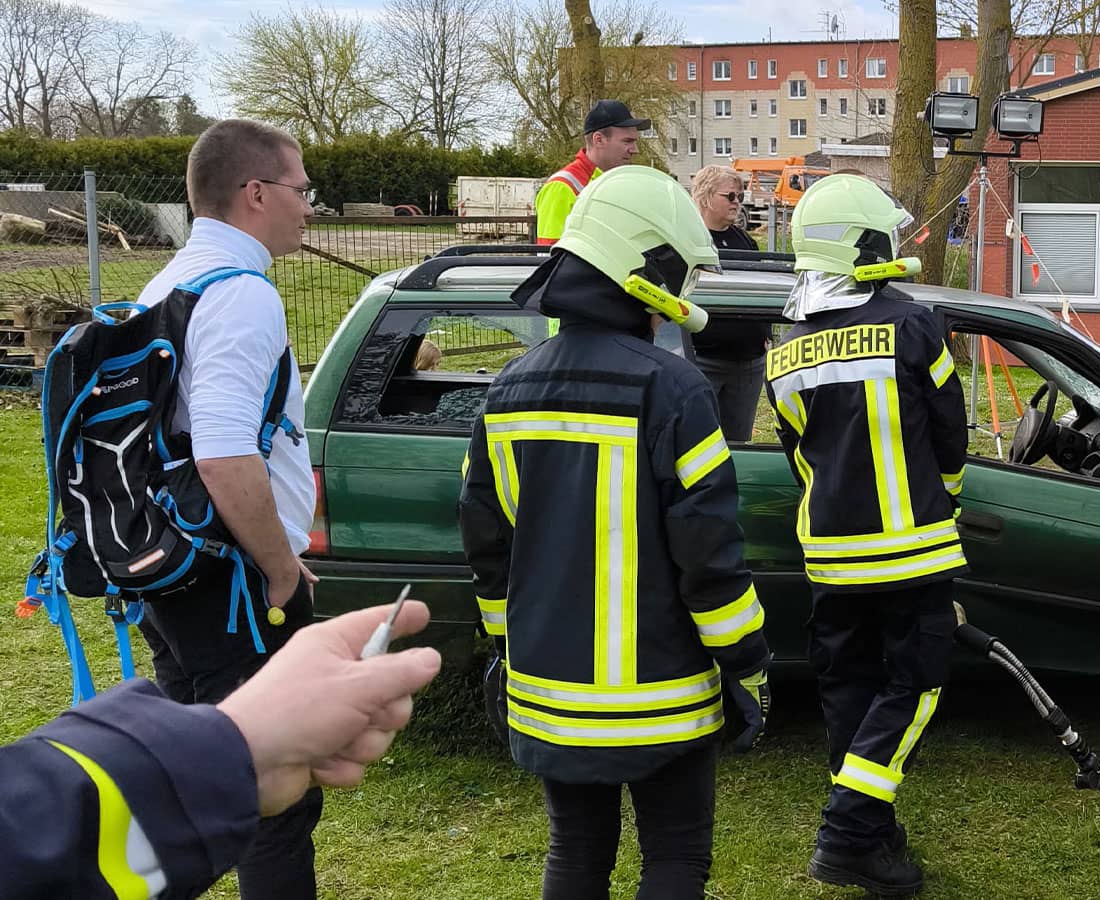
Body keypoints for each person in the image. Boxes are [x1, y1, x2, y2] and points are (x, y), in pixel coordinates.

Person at [461, 164, 772, 899]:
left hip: (548, 690)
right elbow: (709, 556)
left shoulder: (507, 390)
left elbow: (487, 547)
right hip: (663, 693)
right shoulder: (676, 389)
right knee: (676, 856)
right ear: (649, 269)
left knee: (575, 853)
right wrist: (748, 661)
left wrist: (510, 644)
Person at [130, 118, 322, 897]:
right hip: (233, 580)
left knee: (199, 776)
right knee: (273, 793)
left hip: (169, 564)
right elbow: (220, 449)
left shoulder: (168, 283)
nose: (310, 207)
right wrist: (280, 568)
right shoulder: (241, 295)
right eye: (301, 190)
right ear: (255, 193)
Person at [765, 174, 967, 896]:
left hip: (830, 556)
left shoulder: (784, 350)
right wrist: (943, 502)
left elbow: (798, 456)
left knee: (848, 686)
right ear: (861, 242)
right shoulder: (914, 324)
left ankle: (874, 840)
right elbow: (951, 435)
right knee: (915, 684)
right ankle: (849, 829)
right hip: (912, 549)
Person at [2, 601, 442, 900]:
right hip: (227, 597)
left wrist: (242, 745)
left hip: (165, 587)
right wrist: (232, 748)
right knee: (278, 829)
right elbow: (223, 466)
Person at [688, 164, 768, 441]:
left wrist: (765, 333)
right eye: (730, 197)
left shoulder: (745, 241)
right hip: (703, 358)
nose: (737, 203)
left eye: (740, 197)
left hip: (748, 362)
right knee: (698, 439)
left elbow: (759, 289)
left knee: (738, 441)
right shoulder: (689, 240)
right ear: (706, 196)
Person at [534, 99, 648, 246]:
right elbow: (551, 259)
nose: (635, 150)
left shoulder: (617, 182)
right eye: (627, 141)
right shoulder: (562, 187)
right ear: (598, 140)